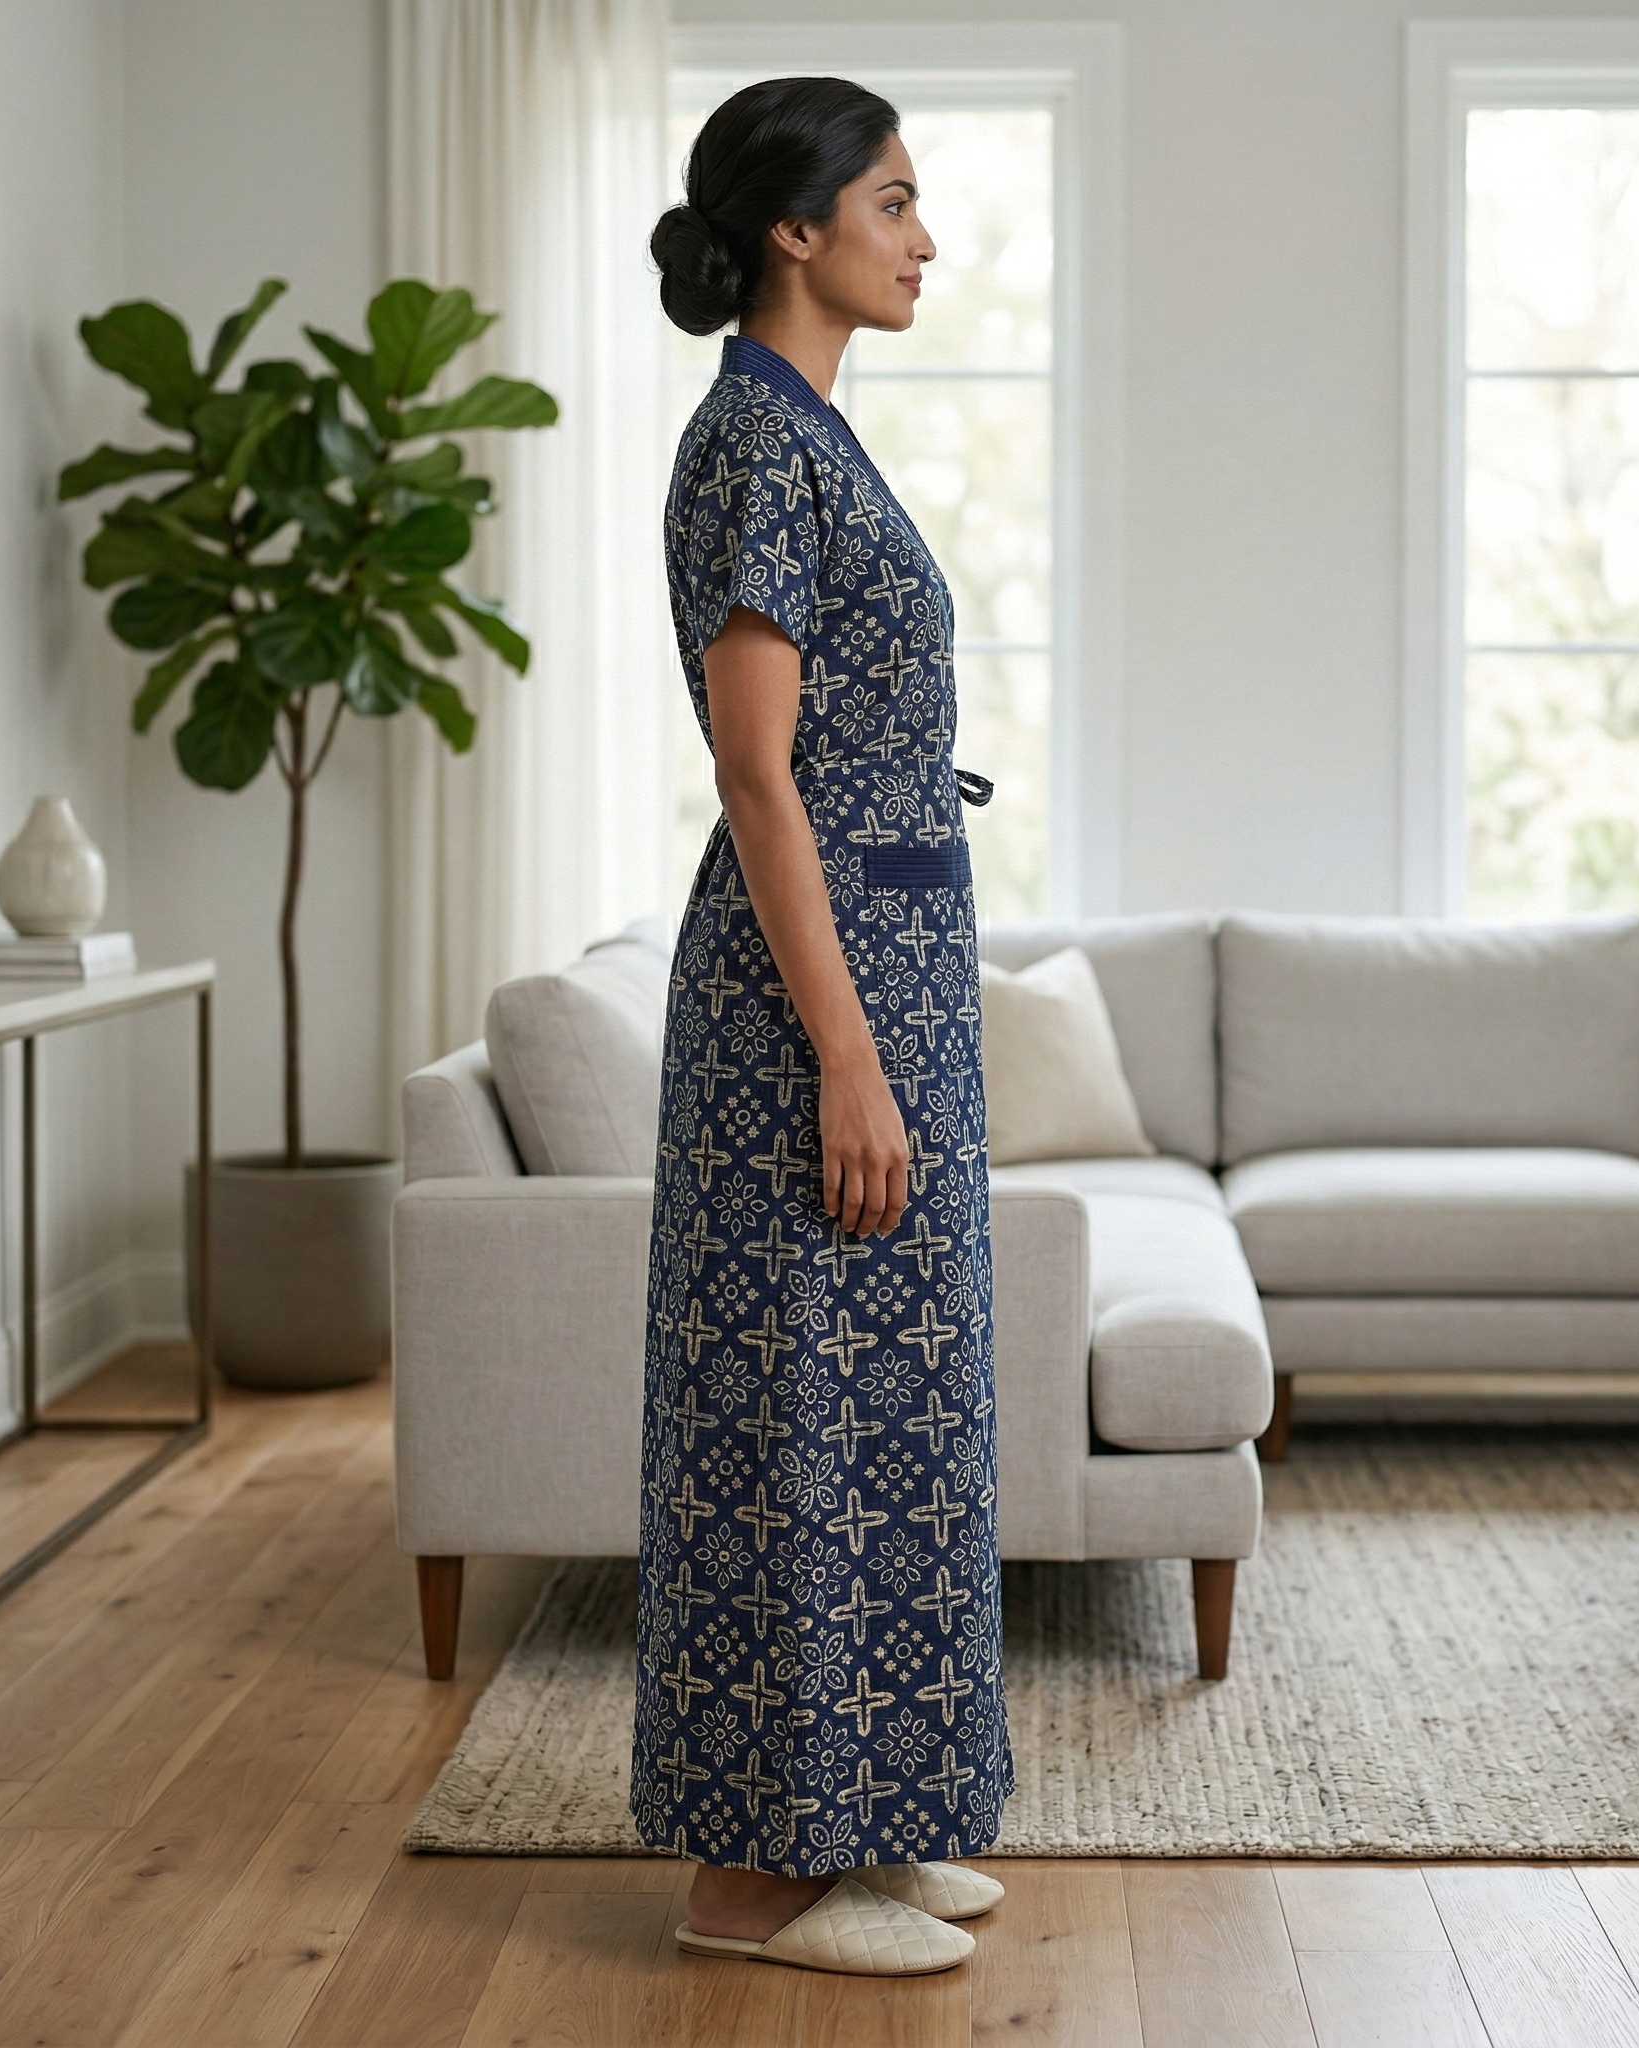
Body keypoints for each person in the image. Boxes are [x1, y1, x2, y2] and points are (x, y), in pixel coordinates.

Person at [634, 75, 1012, 1978]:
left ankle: (872, 1816)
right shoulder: (749, 449)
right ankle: (752, 1880)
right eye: (896, 200)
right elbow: (759, 779)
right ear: (797, 230)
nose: (924, 236)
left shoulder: (817, 437)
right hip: (815, 997)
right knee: (795, 1408)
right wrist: (848, 1058)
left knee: (899, 1403)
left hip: (894, 969)